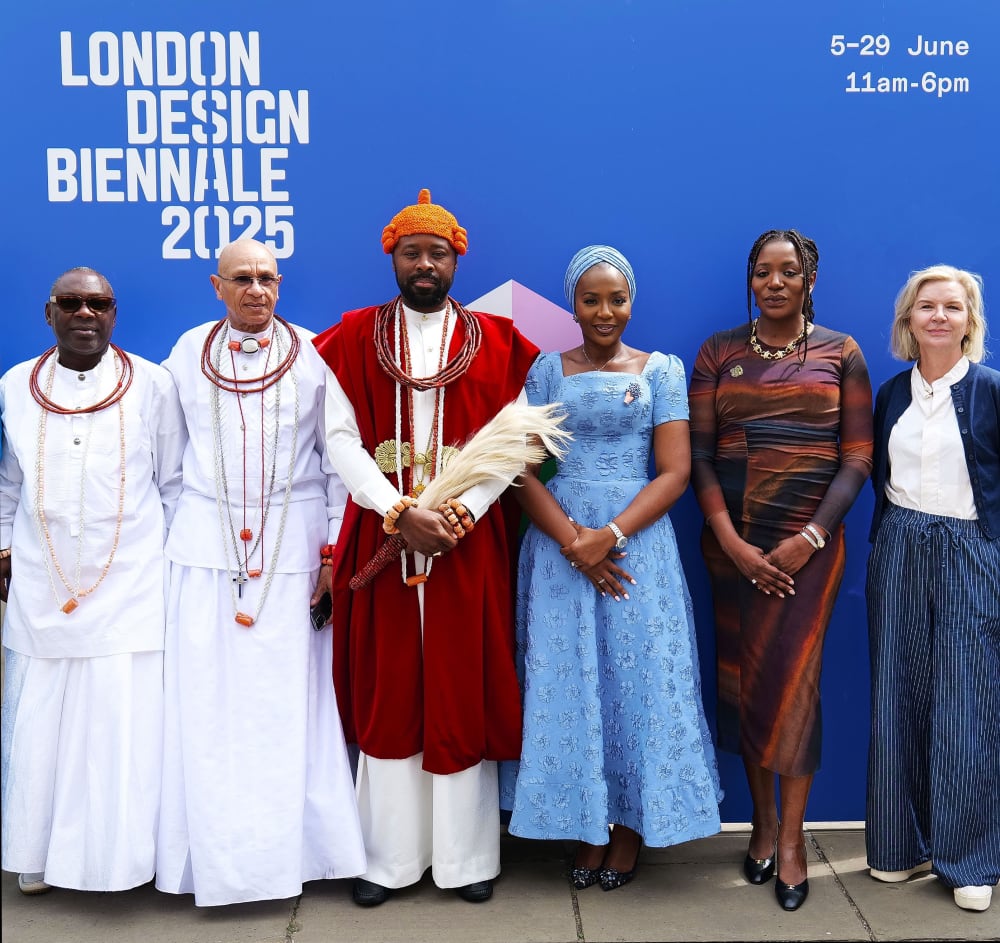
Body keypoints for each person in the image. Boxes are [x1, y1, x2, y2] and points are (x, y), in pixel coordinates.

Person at [313, 189, 539, 907]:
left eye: (436, 252)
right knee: (391, 691)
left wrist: (460, 513)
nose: (424, 263)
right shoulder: (351, 339)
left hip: (465, 545)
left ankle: (466, 858)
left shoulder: (499, 343)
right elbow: (340, 440)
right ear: (393, 255)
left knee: (457, 687)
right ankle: (387, 859)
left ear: (456, 258)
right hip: (383, 538)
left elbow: (513, 444)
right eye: (412, 251)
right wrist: (398, 510)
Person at [499, 246, 722, 892]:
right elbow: (521, 472)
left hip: (636, 545)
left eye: (616, 298)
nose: (605, 311)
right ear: (573, 304)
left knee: (636, 684)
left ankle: (627, 830)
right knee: (569, 681)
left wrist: (611, 536)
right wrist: (575, 541)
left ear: (632, 301)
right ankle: (586, 827)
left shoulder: (662, 371)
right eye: (591, 299)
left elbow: (675, 470)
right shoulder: (543, 372)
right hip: (559, 543)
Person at [155, 239, 366, 906]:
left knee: (290, 710)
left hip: (293, 553)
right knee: (208, 706)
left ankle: (305, 857)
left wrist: (332, 556)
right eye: (242, 279)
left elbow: (339, 465)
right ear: (216, 285)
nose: (257, 290)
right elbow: (165, 465)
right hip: (204, 552)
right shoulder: (185, 354)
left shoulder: (313, 352)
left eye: (268, 278)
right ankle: (208, 863)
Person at [688, 229, 873, 911]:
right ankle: (761, 823)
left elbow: (856, 458)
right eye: (761, 272)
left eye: (787, 272)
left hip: (809, 554)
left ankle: (792, 840)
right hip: (733, 547)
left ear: (809, 279)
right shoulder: (718, 352)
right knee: (743, 684)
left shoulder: (841, 352)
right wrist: (732, 543)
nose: (773, 282)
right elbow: (700, 458)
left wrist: (812, 536)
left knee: (794, 686)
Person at [0, 267, 185, 895]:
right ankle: (37, 853)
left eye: (99, 303)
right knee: (41, 722)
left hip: (129, 584)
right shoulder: (14, 386)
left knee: (119, 723)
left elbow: (175, 485)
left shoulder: (154, 385)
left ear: (115, 312)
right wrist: (2, 547)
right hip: (41, 583)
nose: (86, 313)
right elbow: (8, 482)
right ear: (47, 312)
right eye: (72, 303)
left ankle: (123, 858)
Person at [865, 265, 999, 913]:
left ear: (971, 320)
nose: (939, 316)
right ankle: (898, 845)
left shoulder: (992, 392)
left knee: (966, 702)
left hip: (971, 549)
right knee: (897, 693)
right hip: (898, 548)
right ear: (908, 319)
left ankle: (970, 858)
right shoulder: (891, 393)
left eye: (953, 306)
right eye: (927, 306)